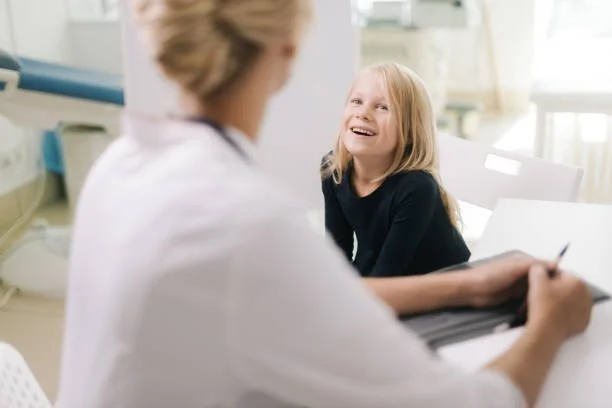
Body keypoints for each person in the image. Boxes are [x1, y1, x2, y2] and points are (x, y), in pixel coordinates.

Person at [55, 1, 592, 408]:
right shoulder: (250, 230)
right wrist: (552, 322)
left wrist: (464, 284)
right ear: (288, 52)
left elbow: (328, 286)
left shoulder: (120, 165)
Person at [321, 62, 470, 279]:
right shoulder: (334, 169)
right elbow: (337, 258)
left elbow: (386, 279)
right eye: (357, 101)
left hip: (441, 293)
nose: (363, 113)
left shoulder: (417, 188)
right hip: (383, 280)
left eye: (382, 107)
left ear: (410, 131)